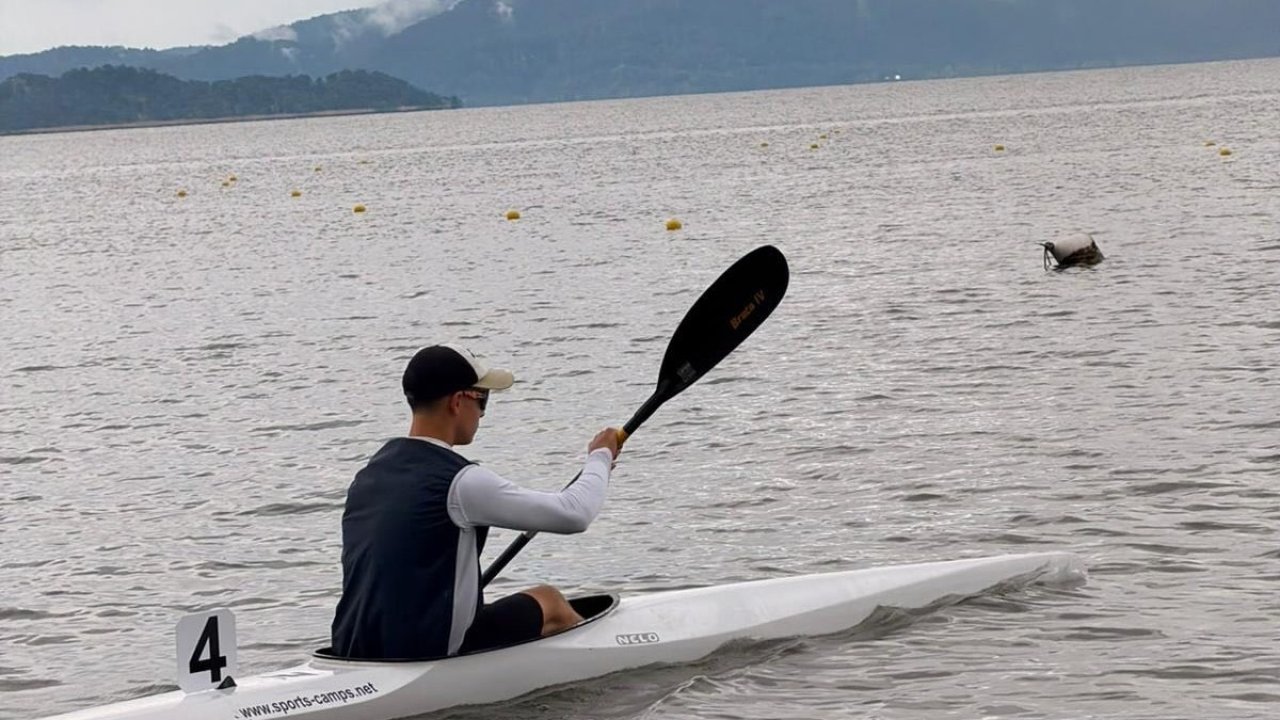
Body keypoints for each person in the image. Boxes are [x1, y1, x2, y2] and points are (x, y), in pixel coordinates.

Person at [330, 343, 621, 659]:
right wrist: (600, 457)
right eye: (482, 400)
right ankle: (608, 661)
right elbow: (575, 514)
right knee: (550, 602)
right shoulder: (460, 481)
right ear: (458, 401)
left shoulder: (369, 475)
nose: (482, 413)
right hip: (427, 654)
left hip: (354, 648)